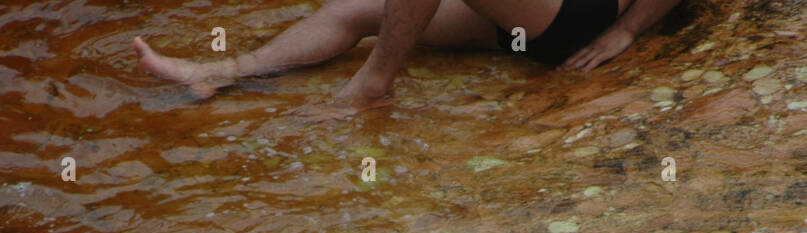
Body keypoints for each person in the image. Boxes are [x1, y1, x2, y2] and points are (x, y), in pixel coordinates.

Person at [134, 0, 687, 109]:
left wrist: (630, 30)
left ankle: (377, 80)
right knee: (348, 11)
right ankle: (222, 71)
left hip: (580, 14)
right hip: (517, 18)